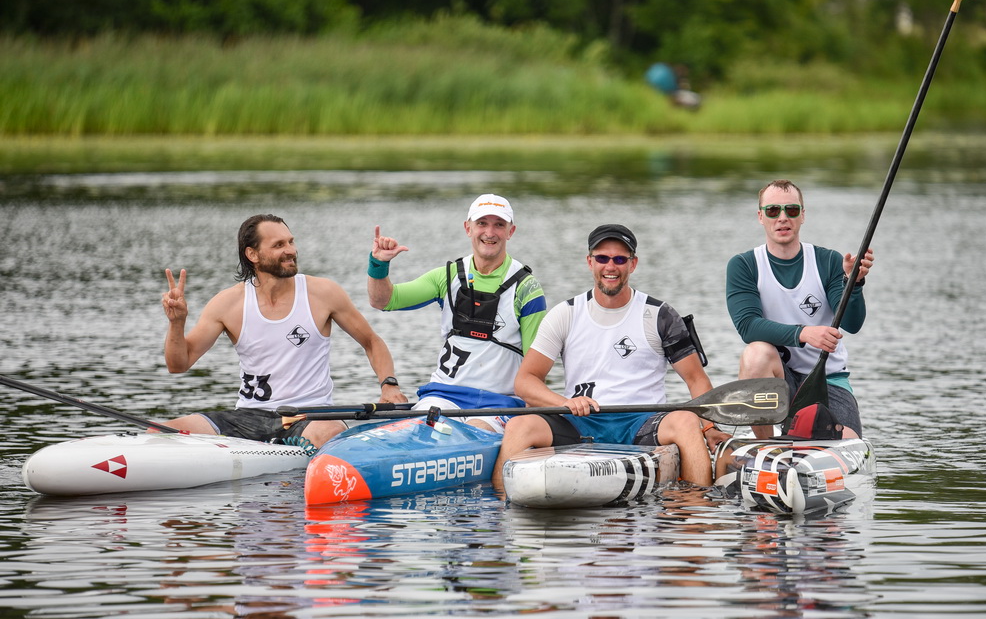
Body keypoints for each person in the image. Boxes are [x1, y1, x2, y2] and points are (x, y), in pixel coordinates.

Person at [492, 224, 722, 490]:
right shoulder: (565, 314)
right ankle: (500, 504)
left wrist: (710, 429)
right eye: (602, 258)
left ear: (633, 264)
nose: (610, 267)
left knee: (686, 420)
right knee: (518, 426)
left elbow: (696, 380)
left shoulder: (660, 315)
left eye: (620, 259)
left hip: (642, 422)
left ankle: (698, 507)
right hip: (580, 421)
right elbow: (526, 381)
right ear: (590, 262)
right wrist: (565, 403)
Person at [161, 213, 405, 450]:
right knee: (162, 432)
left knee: (329, 432)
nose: (291, 250)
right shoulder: (227, 303)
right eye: (279, 245)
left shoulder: (323, 293)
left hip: (310, 417)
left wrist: (389, 385)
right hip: (248, 417)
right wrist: (177, 323)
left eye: (291, 242)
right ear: (252, 254)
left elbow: (371, 342)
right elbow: (178, 365)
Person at [367, 194, 547, 433]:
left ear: (510, 231)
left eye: (499, 224)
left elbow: (536, 368)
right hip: (443, 396)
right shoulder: (447, 276)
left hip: (500, 402)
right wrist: (379, 265)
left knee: (476, 429)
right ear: (468, 228)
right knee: (420, 431)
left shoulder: (527, 288)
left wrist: (531, 423)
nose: (490, 232)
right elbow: (383, 300)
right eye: (482, 223)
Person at [725, 179, 874, 439]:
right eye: (773, 210)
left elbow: (852, 324)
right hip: (780, 381)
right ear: (761, 217)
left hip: (826, 381)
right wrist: (803, 333)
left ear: (802, 215)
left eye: (791, 210)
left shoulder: (828, 261)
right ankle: (767, 445)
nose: (782, 218)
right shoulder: (744, 265)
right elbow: (748, 326)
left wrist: (854, 283)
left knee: (849, 440)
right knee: (755, 354)